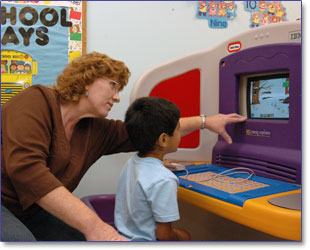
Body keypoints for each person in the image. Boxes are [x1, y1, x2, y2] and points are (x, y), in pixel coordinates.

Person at [1, 51, 246, 241]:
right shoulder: (36, 101)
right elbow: (27, 171)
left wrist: (206, 122)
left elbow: (151, 129)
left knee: (79, 240)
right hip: (5, 203)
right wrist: (95, 226)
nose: (117, 97)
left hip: (30, 209)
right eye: (113, 85)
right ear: (87, 80)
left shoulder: (94, 128)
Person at [115, 97, 190, 241]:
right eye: (178, 129)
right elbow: (164, 236)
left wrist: (159, 165)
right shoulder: (165, 180)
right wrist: (183, 236)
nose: (180, 134)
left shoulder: (132, 162)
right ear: (163, 140)